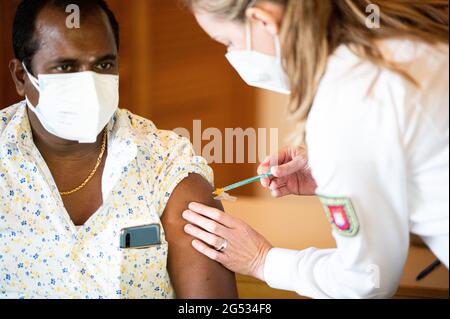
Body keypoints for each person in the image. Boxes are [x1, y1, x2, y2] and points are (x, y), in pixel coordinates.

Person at [180, 0, 449, 298]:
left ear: (263, 20)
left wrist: (261, 260)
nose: (231, 54)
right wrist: (337, 173)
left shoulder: (349, 101)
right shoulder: (399, 32)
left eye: (228, 41)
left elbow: (366, 282)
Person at [0, 0, 237, 299]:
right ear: (21, 77)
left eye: (103, 64)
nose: (88, 82)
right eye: (66, 66)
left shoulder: (166, 164)